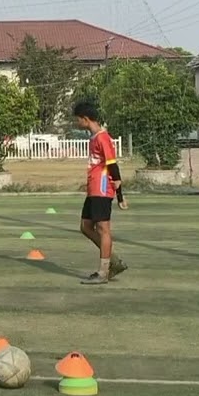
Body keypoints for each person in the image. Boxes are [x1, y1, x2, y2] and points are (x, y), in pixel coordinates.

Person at [72, 102, 128, 284]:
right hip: (93, 188)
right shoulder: (94, 138)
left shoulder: (103, 138)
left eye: (77, 119)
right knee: (85, 226)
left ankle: (104, 272)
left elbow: (113, 165)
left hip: (102, 188)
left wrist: (120, 196)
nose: (76, 123)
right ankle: (114, 260)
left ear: (85, 119)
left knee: (103, 229)